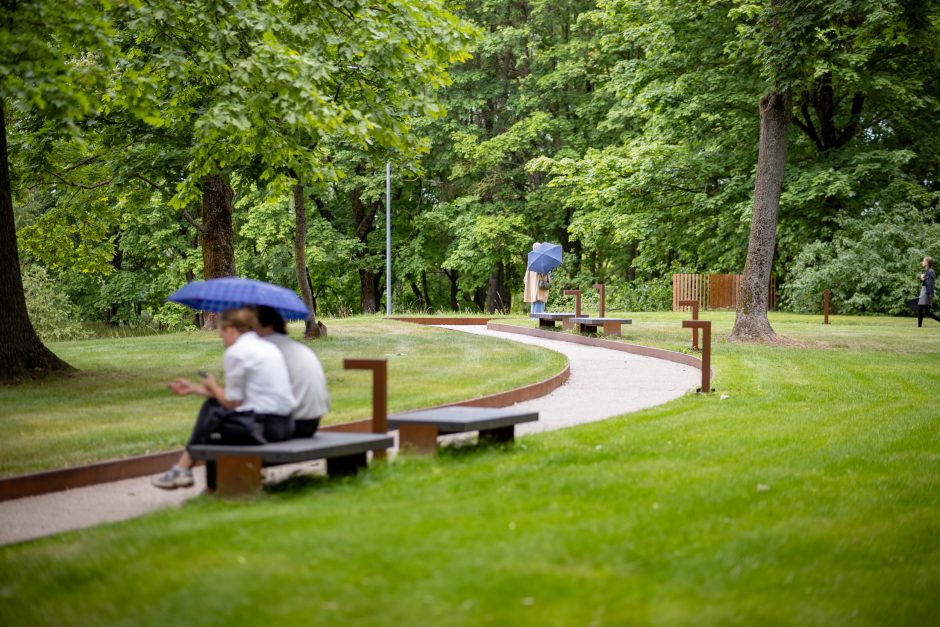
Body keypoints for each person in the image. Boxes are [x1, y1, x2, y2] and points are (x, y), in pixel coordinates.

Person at [152, 307, 296, 489]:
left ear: (230, 329)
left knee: (212, 412)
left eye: (221, 330)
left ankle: (185, 470)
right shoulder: (266, 346)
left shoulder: (236, 352)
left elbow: (231, 402)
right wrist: (194, 388)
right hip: (286, 424)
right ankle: (183, 469)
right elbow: (241, 398)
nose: (220, 336)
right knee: (213, 410)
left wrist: (212, 385)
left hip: (262, 428)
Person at [255, 306, 331, 437]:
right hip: (313, 420)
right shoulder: (293, 346)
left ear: (262, 325)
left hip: (292, 424)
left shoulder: (268, 349)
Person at [523, 242, 550, 314]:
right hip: (539, 284)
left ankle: (533, 319)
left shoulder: (531, 258)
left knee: (534, 300)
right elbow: (542, 273)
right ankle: (537, 320)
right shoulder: (540, 258)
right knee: (540, 300)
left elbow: (526, 277)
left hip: (532, 285)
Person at [917, 256, 939, 327]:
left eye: (923, 261)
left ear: (927, 263)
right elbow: (927, 281)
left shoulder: (930, 271)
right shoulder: (927, 271)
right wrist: (923, 278)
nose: (922, 262)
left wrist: (929, 293)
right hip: (925, 290)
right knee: (927, 312)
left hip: (926, 291)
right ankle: (919, 326)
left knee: (920, 309)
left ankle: (919, 327)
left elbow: (930, 283)